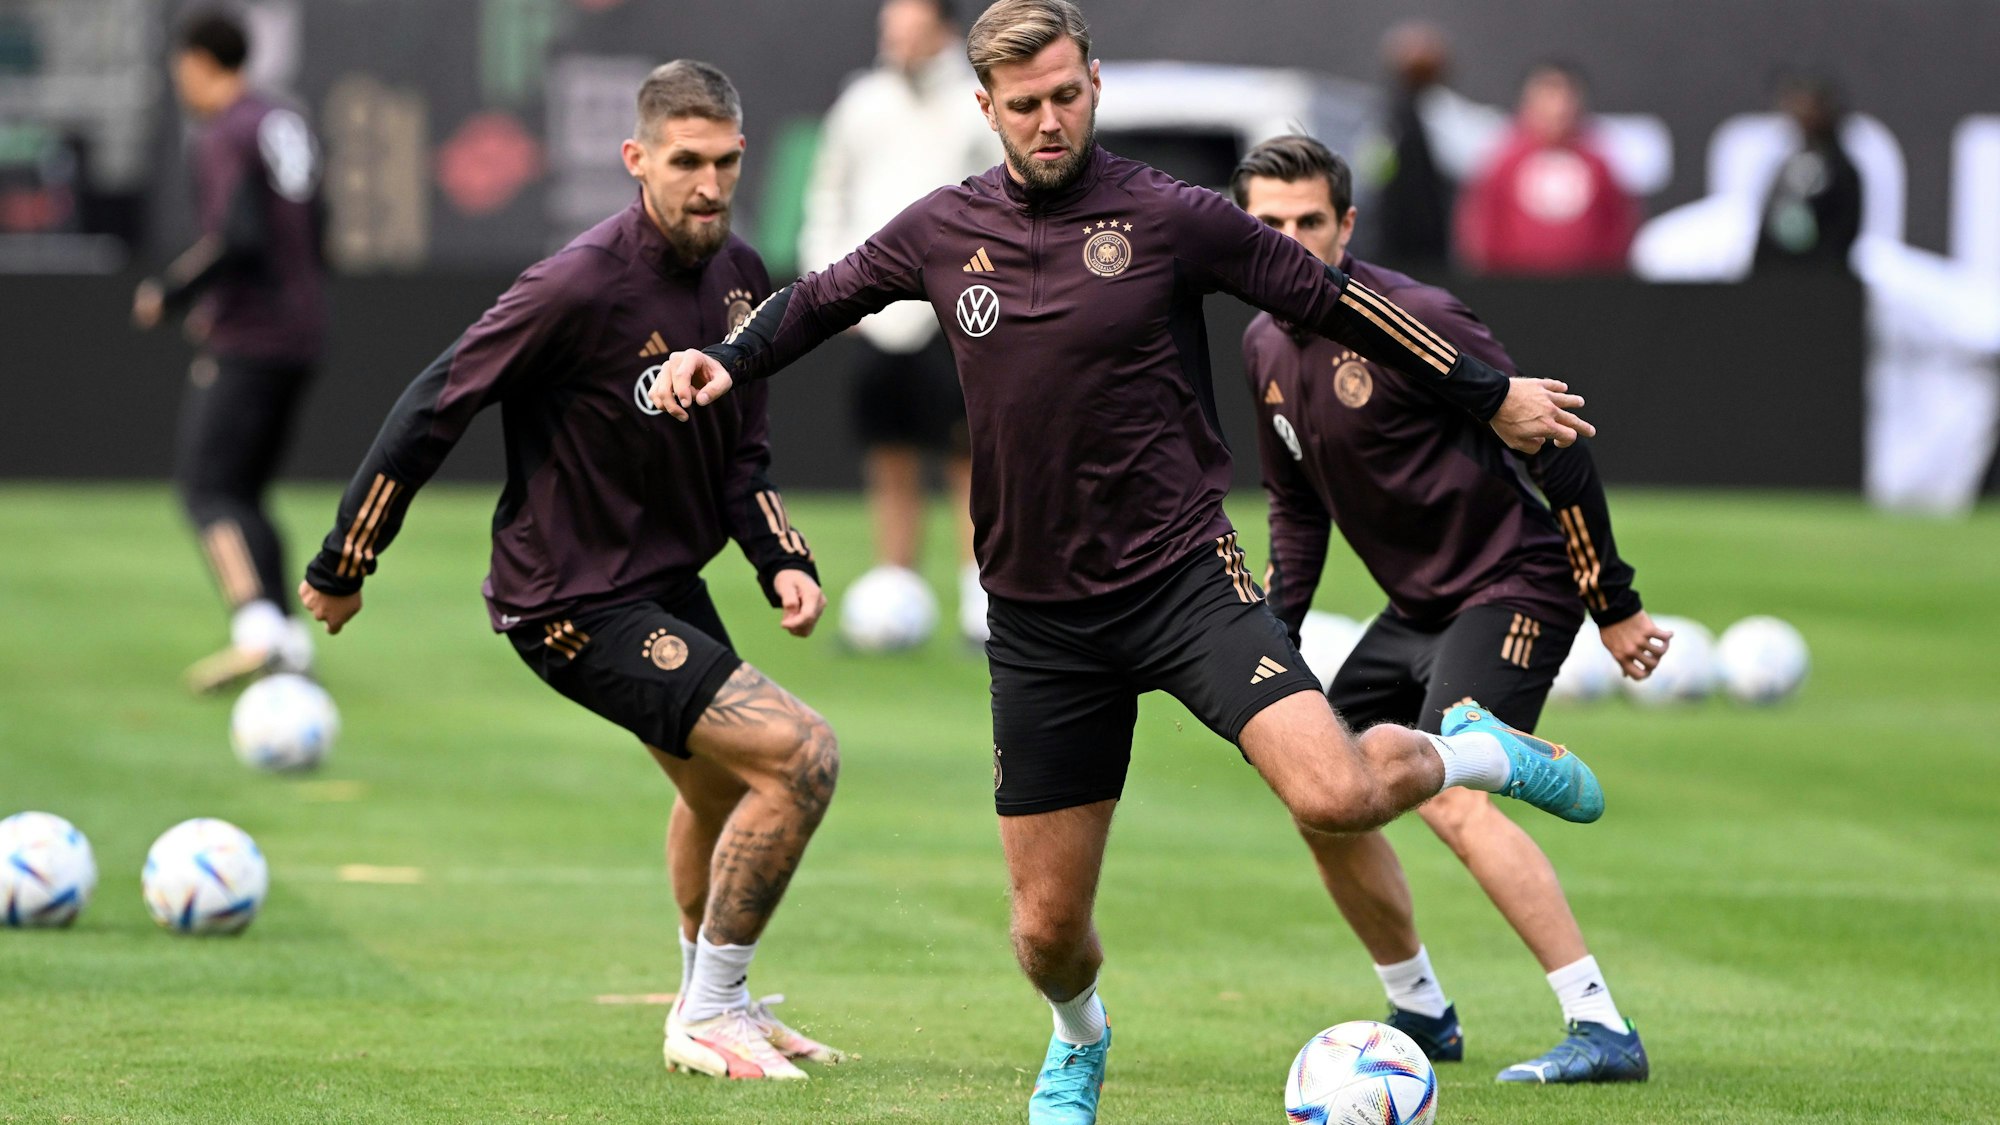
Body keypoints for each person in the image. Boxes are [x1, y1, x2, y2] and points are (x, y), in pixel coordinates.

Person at [655, 4, 1609, 1119]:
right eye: (1023, 104)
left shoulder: (1171, 216)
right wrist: (725, 359)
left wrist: (1488, 396)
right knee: (1045, 935)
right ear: (987, 111)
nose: (1048, 119)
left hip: (1181, 582)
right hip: (1038, 621)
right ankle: (1079, 1037)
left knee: (1337, 793)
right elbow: (819, 299)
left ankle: (1474, 755)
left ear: (1092, 84)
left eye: (1064, 94)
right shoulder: (939, 229)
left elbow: (1342, 301)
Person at [297, 61, 843, 1082]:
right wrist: (346, 558)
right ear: (636, 160)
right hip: (571, 601)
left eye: (726, 161)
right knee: (801, 756)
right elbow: (433, 406)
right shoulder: (577, 282)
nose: (710, 185)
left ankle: (706, 1001)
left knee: (726, 789)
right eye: (686, 162)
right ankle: (710, 1012)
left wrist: (779, 557)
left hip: (665, 583)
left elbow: (742, 455)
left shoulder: (740, 276)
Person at [1236, 133, 1661, 1085]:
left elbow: (1558, 446)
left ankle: (1601, 1027)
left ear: (1347, 226)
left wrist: (1615, 605)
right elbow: (1297, 506)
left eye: (1312, 221)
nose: (1293, 242)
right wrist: (1275, 636)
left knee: (1452, 796)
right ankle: (1422, 1010)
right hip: (1417, 606)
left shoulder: (1415, 316)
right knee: (1321, 793)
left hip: (1513, 584)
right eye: (1271, 225)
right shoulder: (1263, 340)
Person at [133, 9, 324, 693]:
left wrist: (173, 293)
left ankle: (256, 630)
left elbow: (236, 237)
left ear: (198, 63)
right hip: (302, 331)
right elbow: (311, 226)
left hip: (251, 335)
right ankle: (291, 642)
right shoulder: (285, 119)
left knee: (207, 488)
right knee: (246, 491)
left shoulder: (226, 132)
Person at [800, 0, 1000, 643]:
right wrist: (832, 288)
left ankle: (983, 597)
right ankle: (896, 592)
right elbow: (827, 195)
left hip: (958, 310)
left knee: (969, 453)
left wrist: (978, 287)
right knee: (889, 451)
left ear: (940, 28)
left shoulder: (977, 99)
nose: (895, 37)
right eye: (890, 25)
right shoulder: (861, 101)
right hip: (873, 309)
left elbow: (996, 202)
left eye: (908, 25)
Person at [1455, 61, 1636, 276]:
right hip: (1514, 286)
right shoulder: (1504, 162)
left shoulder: (1598, 165)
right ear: (1527, 103)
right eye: (1548, 95)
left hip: (1587, 289)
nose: (1558, 107)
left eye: (1565, 96)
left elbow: (1617, 225)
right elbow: (1482, 225)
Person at [1753, 73, 1863, 273]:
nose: (1799, 113)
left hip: (1823, 283)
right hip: (1777, 281)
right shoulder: (1788, 165)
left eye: (1807, 105)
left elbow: (1844, 233)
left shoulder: (1842, 172)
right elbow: (1769, 230)